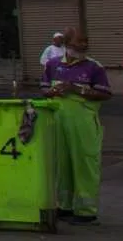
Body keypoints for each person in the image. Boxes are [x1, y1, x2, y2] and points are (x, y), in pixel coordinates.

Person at [42, 28, 111, 224]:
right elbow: (44, 89)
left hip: (83, 122)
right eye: (78, 42)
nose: (83, 45)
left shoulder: (94, 67)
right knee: (61, 164)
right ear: (66, 44)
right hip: (58, 119)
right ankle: (64, 205)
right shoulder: (53, 65)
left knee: (84, 163)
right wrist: (53, 91)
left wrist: (76, 89)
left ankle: (86, 209)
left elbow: (105, 94)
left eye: (85, 42)